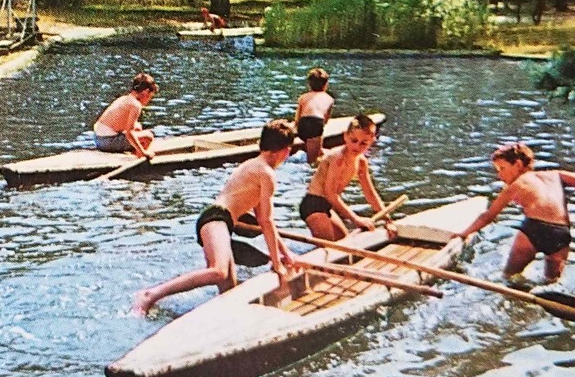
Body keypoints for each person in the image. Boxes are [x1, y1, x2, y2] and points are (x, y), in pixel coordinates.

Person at [132, 120, 298, 314]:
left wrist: (285, 254)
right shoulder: (267, 173)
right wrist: (277, 265)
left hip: (218, 221)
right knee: (218, 271)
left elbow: (264, 221)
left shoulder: (254, 165)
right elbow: (267, 222)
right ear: (285, 151)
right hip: (217, 219)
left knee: (229, 291)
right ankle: (151, 294)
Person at [452, 142, 575, 286]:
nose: (499, 174)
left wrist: (464, 233)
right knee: (551, 283)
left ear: (518, 165)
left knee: (508, 277)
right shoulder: (554, 175)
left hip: (534, 228)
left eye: (502, 168)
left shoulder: (516, 185)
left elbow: (488, 216)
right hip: (561, 234)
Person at [298, 113, 386, 241]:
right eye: (354, 141)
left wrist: (387, 219)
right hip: (313, 205)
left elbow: (370, 193)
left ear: (371, 142)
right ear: (345, 136)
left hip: (327, 206)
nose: (357, 146)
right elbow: (330, 194)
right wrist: (356, 219)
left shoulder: (361, 162)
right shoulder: (337, 158)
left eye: (363, 143)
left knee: (344, 242)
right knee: (332, 249)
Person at [94, 73, 158, 156]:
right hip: (106, 142)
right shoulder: (135, 105)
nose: (149, 100)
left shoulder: (125, 98)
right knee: (148, 137)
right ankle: (139, 156)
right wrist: (144, 152)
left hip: (98, 138)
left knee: (137, 127)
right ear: (145, 92)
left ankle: (134, 153)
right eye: (150, 97)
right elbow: (129, 134)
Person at [294, 67, 334, 166]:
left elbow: (297, 117)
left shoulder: (303, 97)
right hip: (316, 123)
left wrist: (296, 128)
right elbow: (325, 120)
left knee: (315, 146)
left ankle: (317, 150)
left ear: (309, 85)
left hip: (302, 125)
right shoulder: (329, 98)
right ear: (326, 85)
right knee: (312, 161)